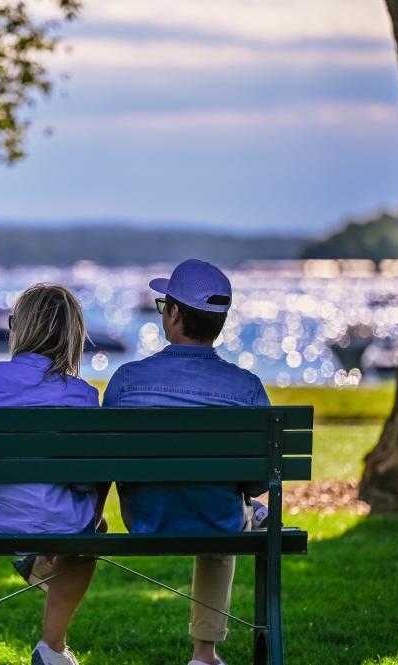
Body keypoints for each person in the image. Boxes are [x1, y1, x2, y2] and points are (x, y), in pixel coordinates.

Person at [103, 259, 270, 665]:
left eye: (164, 306)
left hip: (146, 518)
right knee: (235, 509)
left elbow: (105, 463)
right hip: (216, 521)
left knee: (227, 507)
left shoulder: (126, 380)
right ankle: (204, 653)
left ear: (174, 313)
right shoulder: (246, 389)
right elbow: (256, 481)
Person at [0, 283, 99, 665]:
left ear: (17, 327)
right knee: (90, 527)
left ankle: (38, 564)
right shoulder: (80, 396)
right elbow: (84, 479)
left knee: (69, 517)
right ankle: (52, 647)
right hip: (56, 523)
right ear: (74, 336)